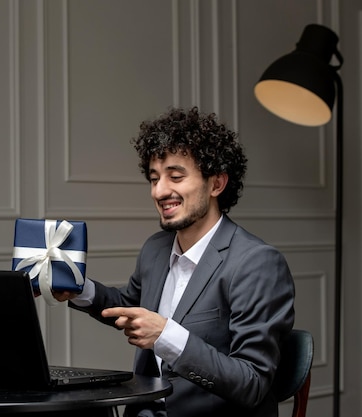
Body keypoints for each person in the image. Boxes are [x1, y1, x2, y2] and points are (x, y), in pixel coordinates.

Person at [55, 107, 295, 417]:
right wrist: (76, 287)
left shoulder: (258, 263)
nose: (159, 191)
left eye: (176, 176)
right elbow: (128, 304)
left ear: (217, 184)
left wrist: (167, 336)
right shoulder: (156, 249)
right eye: (154, 178)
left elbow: (252, 383)